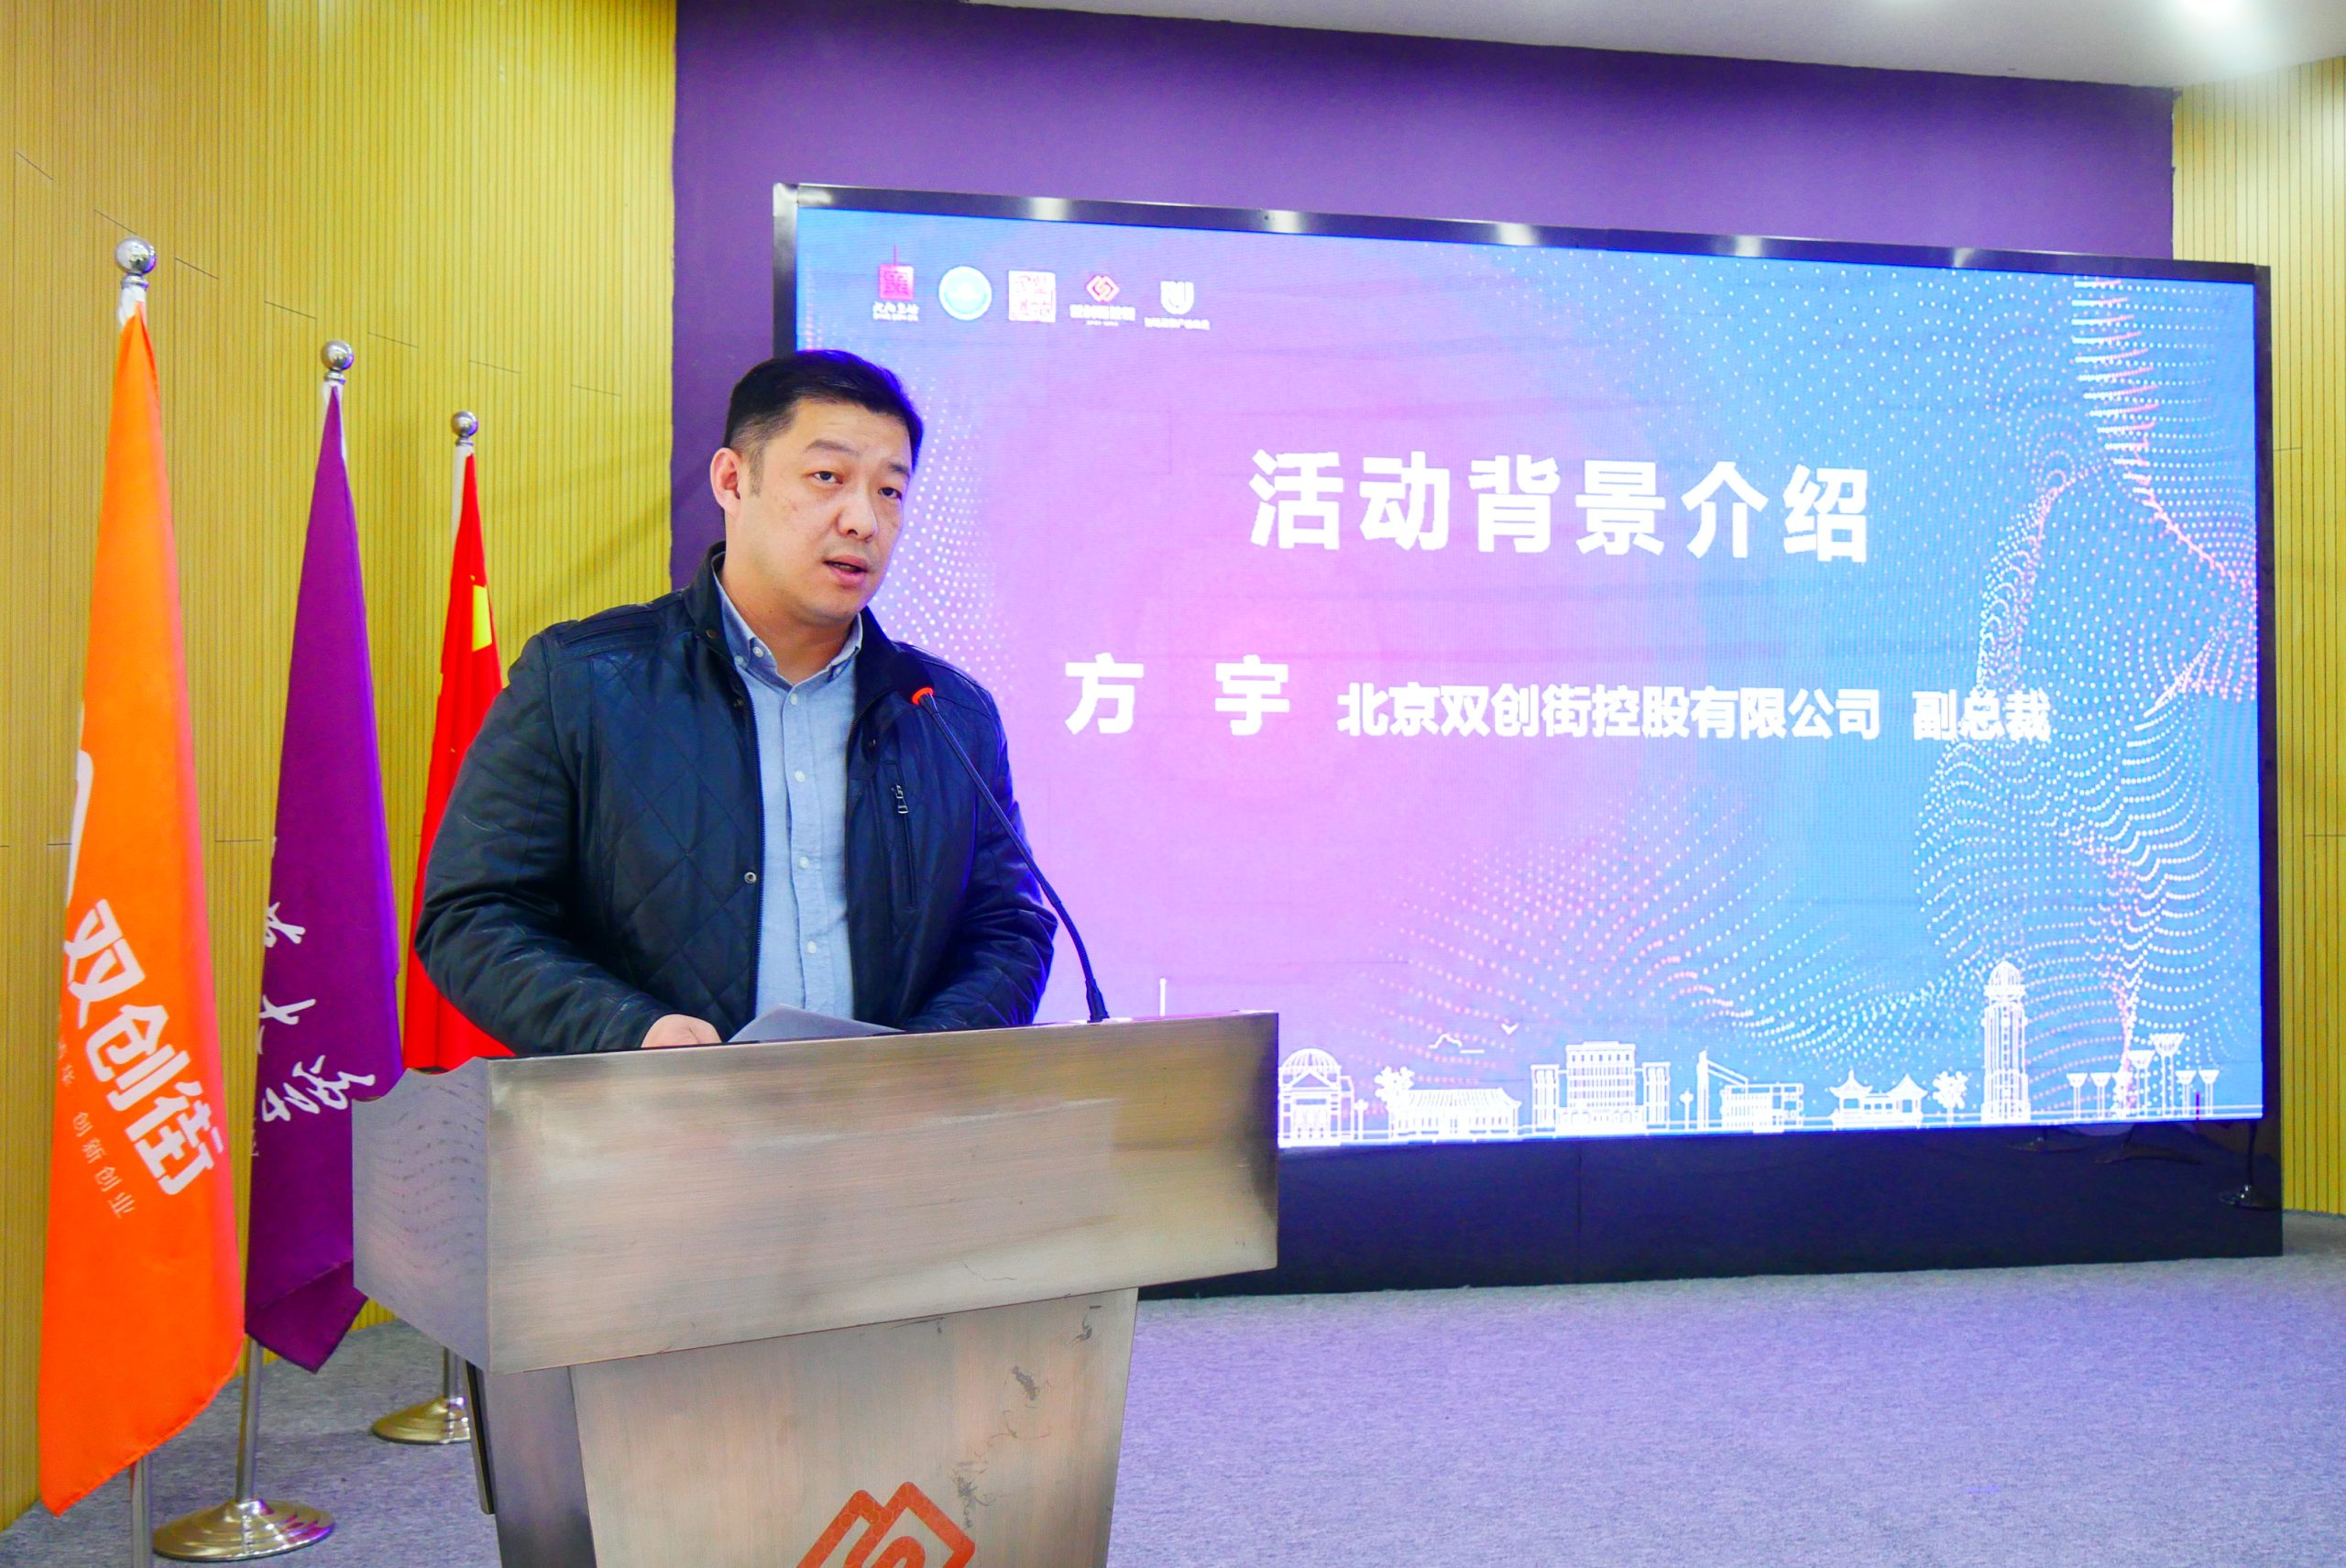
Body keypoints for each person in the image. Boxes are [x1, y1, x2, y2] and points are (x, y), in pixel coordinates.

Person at [413, 350, 1055, 1053]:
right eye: (827, 477)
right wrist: (631, 1030)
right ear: (731, 480)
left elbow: (1009, 927)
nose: (863, 520)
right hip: (653, 1113)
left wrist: (924, 1060)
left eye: (890, 491)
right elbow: (473, 916)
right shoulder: (582, 680)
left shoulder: (947, 713)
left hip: (891, 1119)